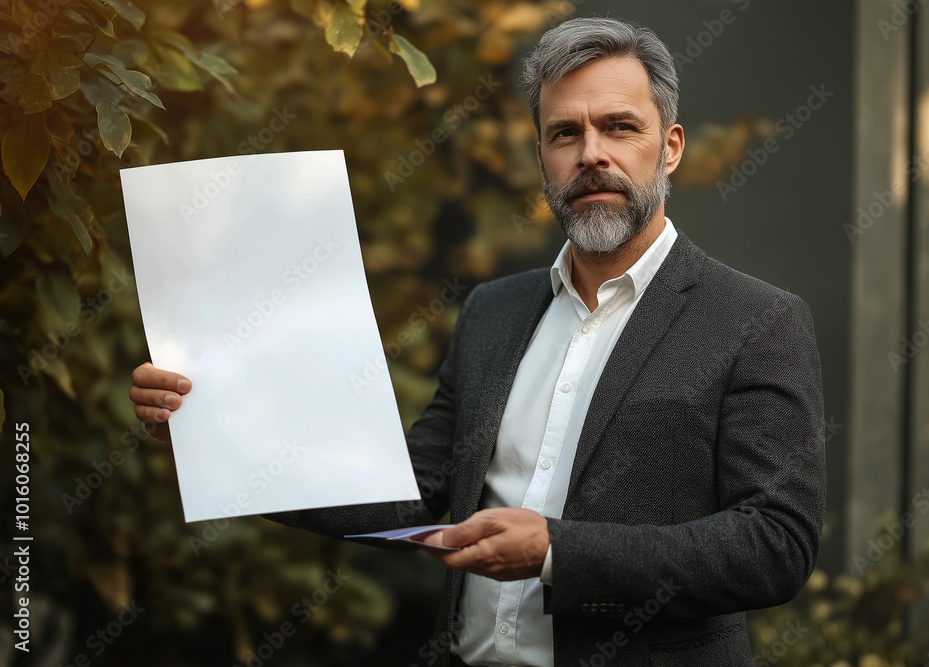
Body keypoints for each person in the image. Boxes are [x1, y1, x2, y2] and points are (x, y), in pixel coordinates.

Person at [129, 16, 825, 667]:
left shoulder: (756, 321)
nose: (592, 155)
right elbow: (407, 489)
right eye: (564, 134)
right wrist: (216, 433)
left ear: (669, 146)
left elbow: (774, 544)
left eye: (619, 127)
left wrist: (558, 550)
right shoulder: (496, 311)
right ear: (542, 155)